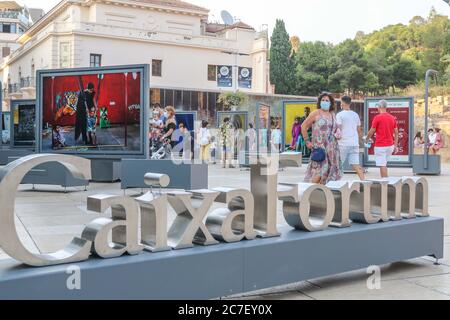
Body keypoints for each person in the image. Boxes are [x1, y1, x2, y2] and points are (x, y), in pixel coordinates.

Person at [301, 93, 342, 184]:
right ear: (319, 102)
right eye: (323, 100)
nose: (324, 102)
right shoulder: (316, 113)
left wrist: (338, 132)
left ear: (331, 103)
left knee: (328, 172)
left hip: (332, 147)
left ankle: (321, 192)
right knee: (318, 171)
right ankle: (307, 191)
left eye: (327, 100)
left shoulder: (332, 114)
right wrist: (307, 141)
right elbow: (303, 126)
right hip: (320, 147)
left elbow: (336, 128)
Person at [365, 100, 399, 178]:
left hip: (381, 146)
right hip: (390, 146)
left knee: (382, 165)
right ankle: (385, 181)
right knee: (384, 164)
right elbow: (396, 132)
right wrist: (395, 145)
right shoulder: (392, 118)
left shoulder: (377, 117)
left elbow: (372, 131)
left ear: (379, 107)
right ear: (386, 107)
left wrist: (367, 139)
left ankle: (385, 183)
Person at [336, 96, 365, 180]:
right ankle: (364, 181)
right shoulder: (355, 115)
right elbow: (359, 130)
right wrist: (358, 141)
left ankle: (336, 182)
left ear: (343, 103)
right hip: (354, 144)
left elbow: (339, 130)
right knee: (356, 164)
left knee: (338, 164)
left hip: (343, 144)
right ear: (350, 103)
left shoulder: (339, 115)